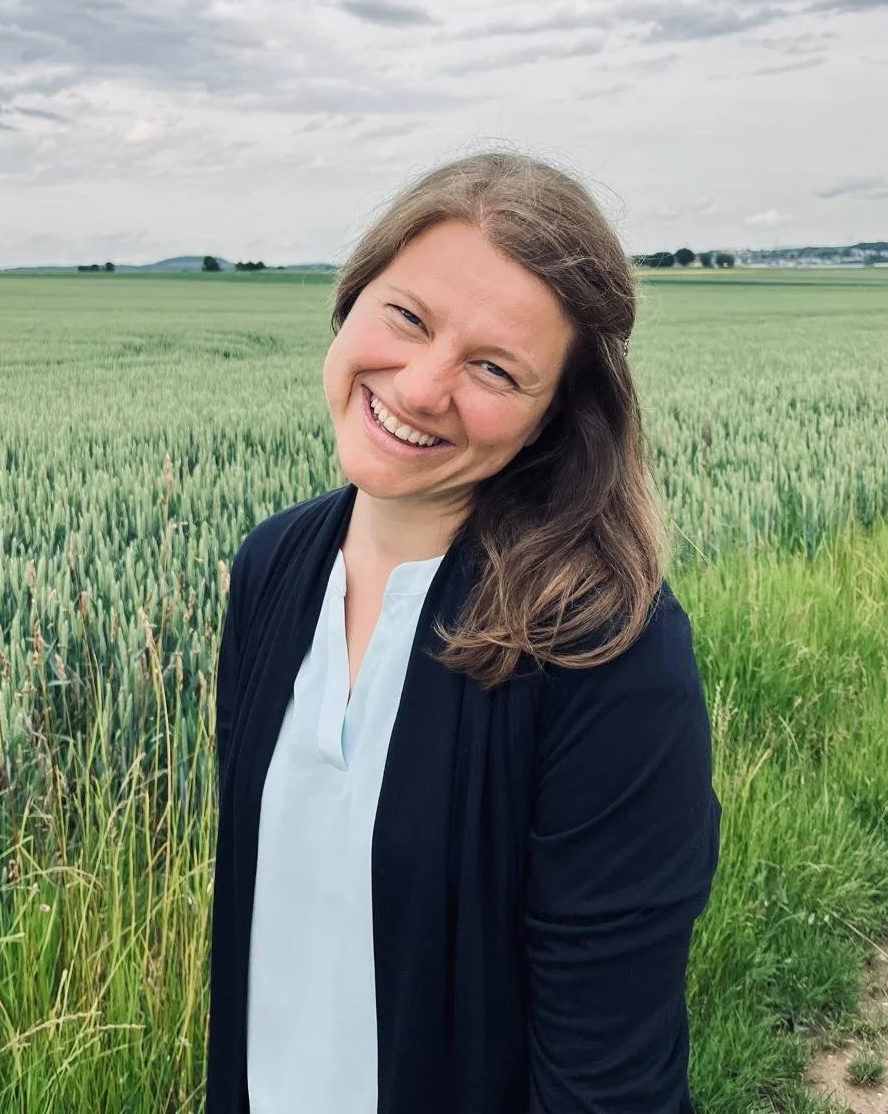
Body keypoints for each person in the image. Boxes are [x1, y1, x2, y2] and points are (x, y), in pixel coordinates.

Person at [205, 149, 722, 1114]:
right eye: (408, 316)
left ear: (550, 419)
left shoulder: (608, 656)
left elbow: (608, 1084)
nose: (420, 387)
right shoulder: (272, 569)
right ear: (352, 299)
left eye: (493, 368)